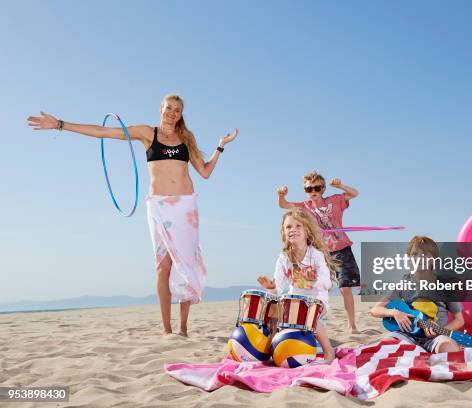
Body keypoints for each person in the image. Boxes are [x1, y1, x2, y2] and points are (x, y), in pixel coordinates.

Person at [27, 94, 238, 337]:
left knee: (185, 265)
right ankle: (166, 329)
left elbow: (205, 172)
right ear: (161, 109)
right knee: (163, 266)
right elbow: (104, 132)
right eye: (169, 108)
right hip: (159, 206)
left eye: (177, 110)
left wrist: (220, 146)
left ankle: (183, 328)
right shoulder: (147, 133)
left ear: (181, 114)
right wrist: (61, 125)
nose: (172, 113)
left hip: (186, 207)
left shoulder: (186, 139)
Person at [277, 171, 361, 333]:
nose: (313, 192)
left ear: (323, 189)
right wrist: (281, 195)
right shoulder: (304, 206)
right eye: (309, 189)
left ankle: (352, 324)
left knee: (345, 288)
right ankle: (312, 322)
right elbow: (283, 205)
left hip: (341, 248)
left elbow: (354, 193)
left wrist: (340, 185)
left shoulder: (335, 200)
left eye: (316, 188)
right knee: (315, 286)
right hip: (319, 251)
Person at [257, 208, 336, 362]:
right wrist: (271, 287)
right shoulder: (283, 258)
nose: (293, 229)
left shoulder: (316, 255)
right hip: (294, 301)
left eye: (298, 226)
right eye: (288, 227)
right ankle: (273, 347)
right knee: (273, 308)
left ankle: (329, 351)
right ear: (283, 234)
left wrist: (313, 281)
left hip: (317, 300)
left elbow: (327, 283)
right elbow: (278, 289)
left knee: (308, 313)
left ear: (307, 231)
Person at [370, 236, 465, 353]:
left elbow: (459, 320)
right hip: (407, 335)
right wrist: (395, 313)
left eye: (425, 254)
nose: (420, 258)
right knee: (387, 343)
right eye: (415, 254)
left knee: (447, 346)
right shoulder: (404, 283)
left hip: (435, 337)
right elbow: (375, 309)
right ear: (409, 258)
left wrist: (440, 330)